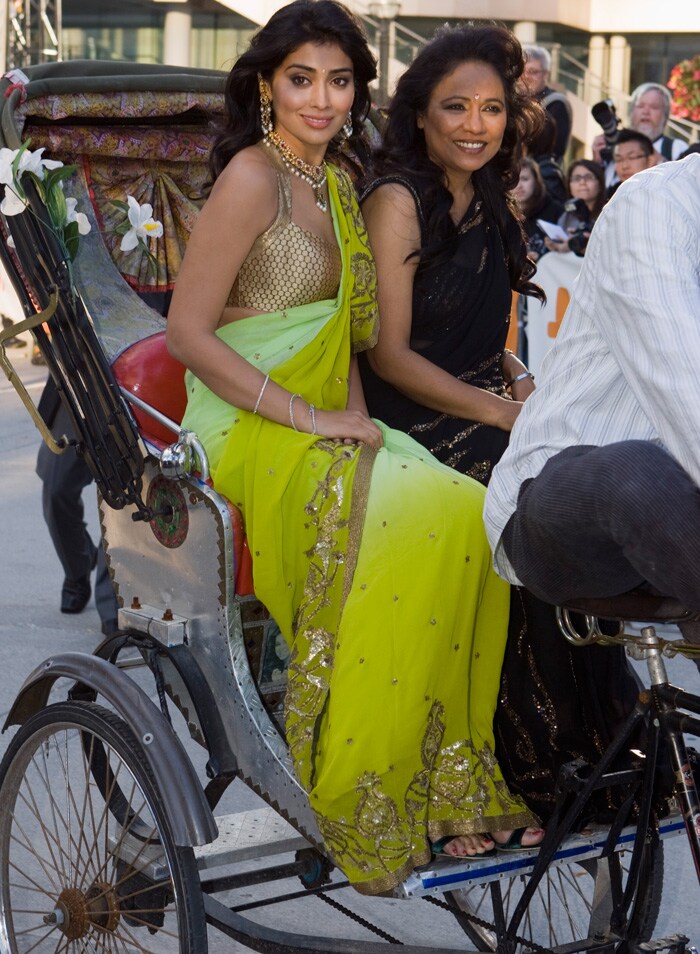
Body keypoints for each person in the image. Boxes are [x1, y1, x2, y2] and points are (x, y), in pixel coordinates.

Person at [166, 0, 537, 896]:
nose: (322, 99)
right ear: (267, 86)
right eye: (302, 80)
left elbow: (344, 338)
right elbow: (185, 334)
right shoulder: (253, 178)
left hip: (324, 410)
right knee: (403, 511)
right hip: (244, 415)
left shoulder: (338, 181)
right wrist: (309, 418)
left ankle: (447, 776)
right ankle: (361, 788)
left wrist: (359, 424)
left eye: (339, 82)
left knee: (460, 505)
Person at [357, 22, 641, 825]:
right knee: (527, 493)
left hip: (483, 397)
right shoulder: (397, 198)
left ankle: (602, 732)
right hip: (413, 414)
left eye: (490, 108)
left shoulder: (487, 195)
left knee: (586, 478)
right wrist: (504, 412)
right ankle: (531, 752)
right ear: (420, 114)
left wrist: (526, 386)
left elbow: (495, 343)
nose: (475, 124)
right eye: (456, 107)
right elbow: (389, 356)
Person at [484, 154, 700, 633]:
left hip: (681, 519)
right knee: (639, 470)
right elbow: (685, 391)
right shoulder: (656, 203)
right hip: (559, 498)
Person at [36, 376, 119, 634]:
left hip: (130, 374)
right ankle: (78, 567)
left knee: (121, 491)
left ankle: (113, 599)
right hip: (75, 371)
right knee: (57, 487)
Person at [593, 82, 686, 189]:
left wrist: (662, 161)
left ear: (665, 115)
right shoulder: (613, 148)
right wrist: (597, 164)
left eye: (654, 107)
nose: (645, 112)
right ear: (631, 112)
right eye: (640, 106)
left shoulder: (676, 148)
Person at [544, 158, 606, 257]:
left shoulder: (609, 213)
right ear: (569, 186)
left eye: (589, 177)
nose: (582, 182)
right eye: (577, 178)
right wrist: (556, 246)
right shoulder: (566, 216)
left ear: (600, 184)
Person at [521, 44, 571, 164]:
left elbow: (554, 150)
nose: (525, 76)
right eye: (522, 71)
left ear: (545, 75)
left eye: (533, 71)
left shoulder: (556, 103)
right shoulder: (513, 100)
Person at [513, 156, 564, 260]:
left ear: (536, 180)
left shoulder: (556, 210)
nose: (519, 185)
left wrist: (540, 257)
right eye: (514, 180)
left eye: (525, 179)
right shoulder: (501, 213)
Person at [607, 128, 655, 198]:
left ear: (650, 161)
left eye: (631, 157)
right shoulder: (610, 197)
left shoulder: (663, 193)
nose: (624, 166)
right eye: (619, 159)